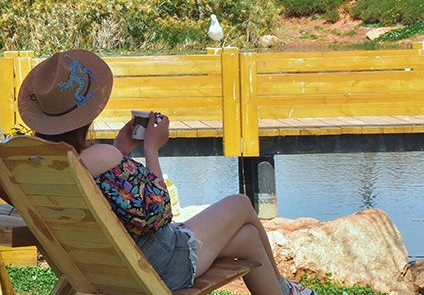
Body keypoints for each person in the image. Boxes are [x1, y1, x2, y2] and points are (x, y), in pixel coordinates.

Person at [16, 49, 315, 295]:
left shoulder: (41, 162)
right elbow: (159, 212)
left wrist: (120, 149)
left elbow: (102, 188)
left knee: (248, 237)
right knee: (240, 204)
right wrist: (152, 149)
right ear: (88, 113)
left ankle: (284, 290)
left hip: (102, 270)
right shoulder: (98, 156)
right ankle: (286, 290)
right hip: (157, 267)